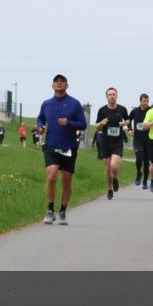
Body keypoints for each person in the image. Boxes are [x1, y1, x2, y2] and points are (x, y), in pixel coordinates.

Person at [36, 74, 87, 225]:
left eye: (62, 82)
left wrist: (69, 123)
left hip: (69, 147)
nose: (59, 84)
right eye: (56, 82)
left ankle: (63, 211)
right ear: (52, 85)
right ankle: (50, 210)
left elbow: (83, 124)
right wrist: (40, 126)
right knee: (51, 176)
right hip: (51, 145)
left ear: (67, 85)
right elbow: (40, 118)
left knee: (66, 181)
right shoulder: (46, 104)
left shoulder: (74, 103)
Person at [95, 87, 130, 200]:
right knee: (107, 167)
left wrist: (124, 123)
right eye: (110, 94)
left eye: (114, 94)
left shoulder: (122, 109)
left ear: (117, 96)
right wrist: (101, 123)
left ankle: (115, 178)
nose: (112, 96)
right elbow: (97, 127)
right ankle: (109, 189)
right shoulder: (102, 110)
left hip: (117, 141)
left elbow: (128, 121)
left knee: (114, 165)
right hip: (105, 141)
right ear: (107, 97)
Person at [128, 93, 152, 188]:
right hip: (137, 139)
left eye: (147, 101)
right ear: (140, 101)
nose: (146, 103)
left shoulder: (151, 111)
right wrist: (129, 129)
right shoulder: (135, 111)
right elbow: (128, 120)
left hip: (149, 140)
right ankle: (139, 173)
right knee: (139, 158)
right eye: (144, 101)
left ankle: (145, 182)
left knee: (146, 162)